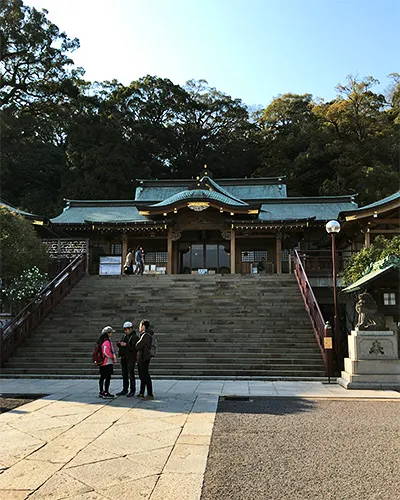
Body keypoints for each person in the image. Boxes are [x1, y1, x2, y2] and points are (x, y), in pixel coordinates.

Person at [116, 321, 138, 397]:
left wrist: (126, 345)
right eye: (125, 329)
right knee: (124, 374)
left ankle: (132, 390)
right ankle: (125, 389)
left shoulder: (135, 337)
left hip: (130, 358)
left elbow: (135, 348)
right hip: (124, 357)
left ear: (131, 329)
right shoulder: (124, 336)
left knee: (131, 374)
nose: (126, 331)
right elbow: (122, 345)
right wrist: (119, 344)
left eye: (127, 329)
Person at [135, 319, 154, 399]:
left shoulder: (146, 335)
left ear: (143, 326)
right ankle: (141, 392)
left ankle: (150, 394)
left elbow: (137, 346)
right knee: (142, 375)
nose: (139, 327)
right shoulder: (144, 335)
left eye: (140, 325)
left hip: (144, 358)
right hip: (142, 357)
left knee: (145, 375)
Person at [97, 326, 117, 398]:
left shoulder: (102, 340)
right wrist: (112, 356)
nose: (112, 334)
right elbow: (106, 351)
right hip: (107, 362)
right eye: (111, 332)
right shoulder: (106, 341)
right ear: (108, 333)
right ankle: (105, 392)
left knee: (102, 377)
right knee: (107, 378)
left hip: (103, 362)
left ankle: (101, 391)